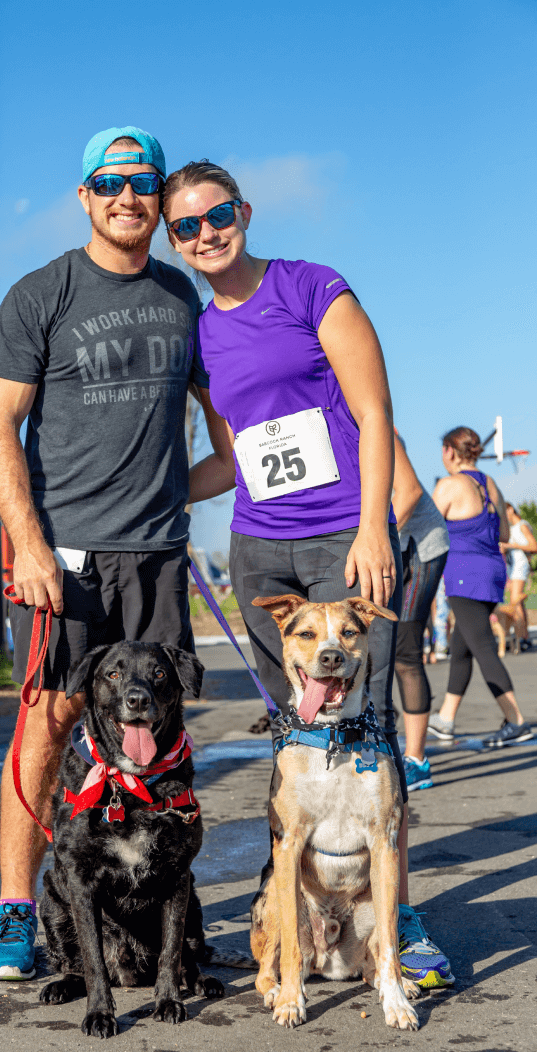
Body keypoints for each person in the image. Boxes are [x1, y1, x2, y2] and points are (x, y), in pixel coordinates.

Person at [162, 159, 453, 989]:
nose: (205, 234)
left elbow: (373, 413)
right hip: (259, 546)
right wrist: (154, 499)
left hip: (338, 537)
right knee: (301, 724)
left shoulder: (310, 287)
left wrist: (372, 529)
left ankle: (398, 913)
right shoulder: (201, 334)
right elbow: (231, 458)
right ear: (174, 239)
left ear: (243, 211)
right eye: (185, 226)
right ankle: (299, 894)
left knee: (365, 726)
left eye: (217, 215)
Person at [0, 127, 228, 981]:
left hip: (156, 555)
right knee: (48, 723)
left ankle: (161, 911)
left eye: (143, 181)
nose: (128, 195)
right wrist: (27, 542)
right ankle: (17, 907)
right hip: (65, 555)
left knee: (158, 726)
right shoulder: (42, 294)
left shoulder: (180, 298)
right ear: (84, 196)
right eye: (109, 181)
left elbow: (226, 428)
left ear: (159, 199)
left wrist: (178, 493)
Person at [428, 427, 532, 747]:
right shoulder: (491, 485)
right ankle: (445, 718)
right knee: (462, 648)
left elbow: (426, 529)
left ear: (449, 451)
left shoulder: (448, 486)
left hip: (464, 574)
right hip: (492, 572)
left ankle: (515, 720)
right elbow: (503, 533)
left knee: (483, 647)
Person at [391, 433, 449, 791]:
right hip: (394, 546)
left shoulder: (380, 426)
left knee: (405, 652)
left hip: (421, 546)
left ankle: (417, 761)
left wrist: (371, 537)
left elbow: (409, 492)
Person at [502, 501, 537, 650]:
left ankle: (522, 637)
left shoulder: (522, 525)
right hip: (513, 567)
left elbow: (534, 546)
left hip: (521, 567)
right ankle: (524, 637)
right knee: (518, 603)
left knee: (515, 601)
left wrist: (511, 546)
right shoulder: (511, 528)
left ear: (510, 509)